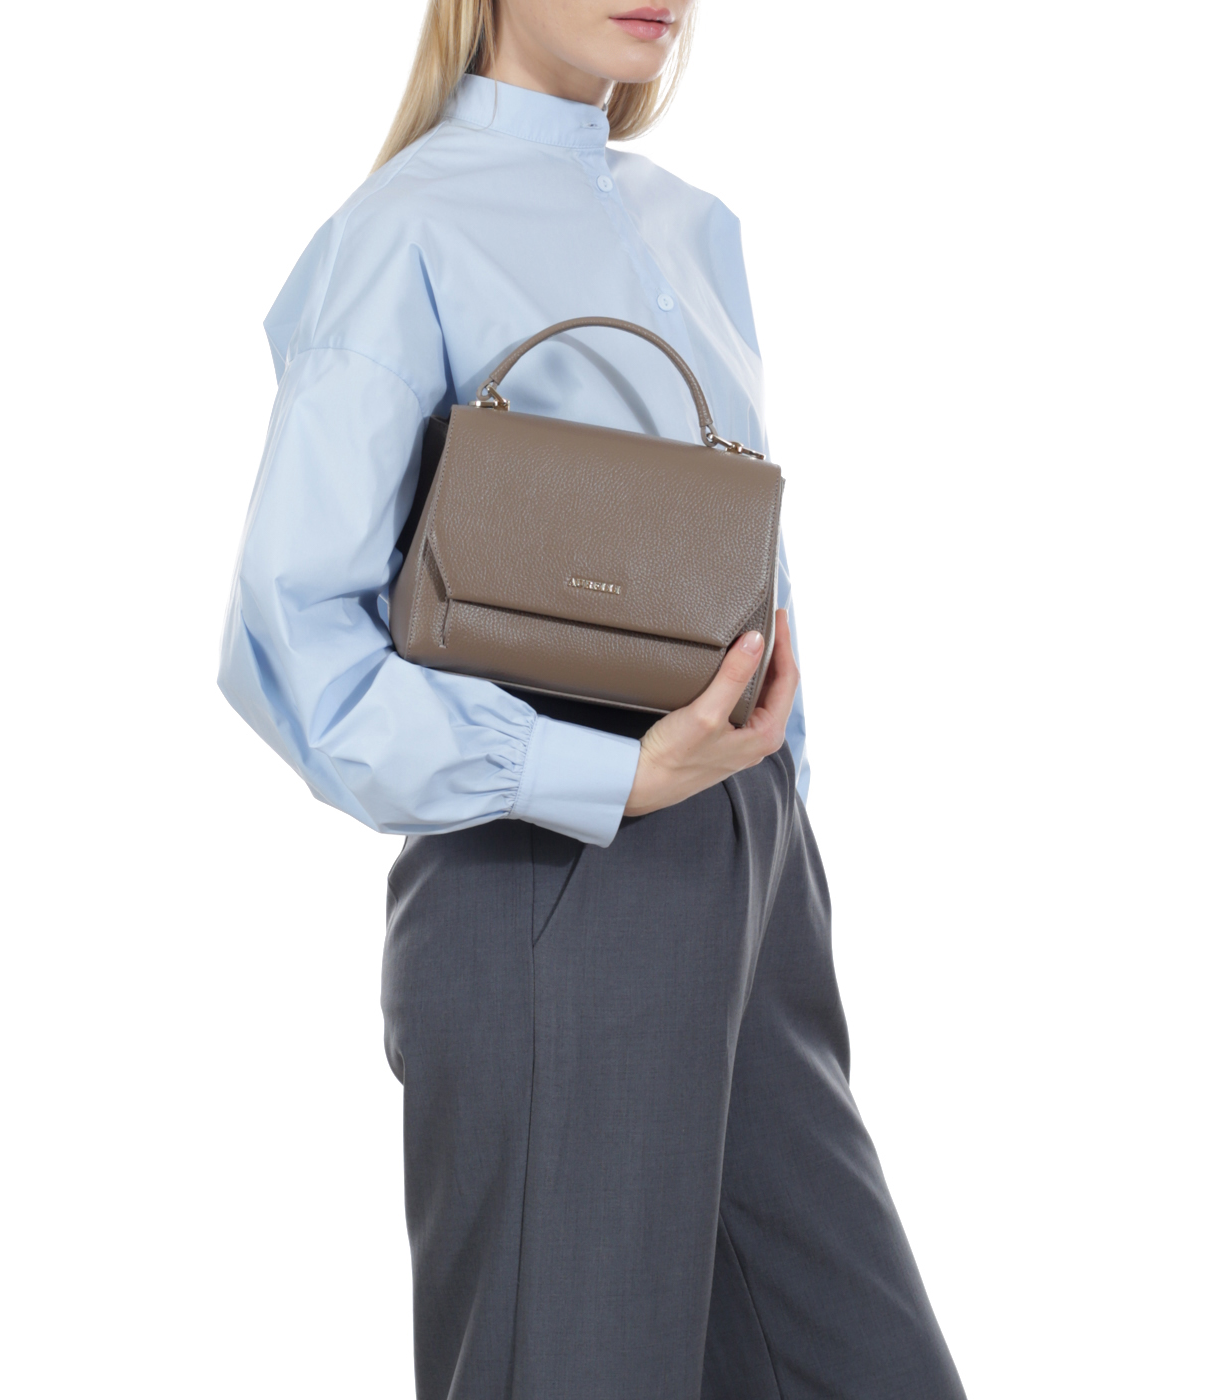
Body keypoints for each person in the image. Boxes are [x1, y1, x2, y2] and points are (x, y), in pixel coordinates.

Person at [218, 1, 966, 1396]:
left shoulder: (697, 228)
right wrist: (606, 778)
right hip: (554, 879)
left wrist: (773, 812)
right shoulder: (406, 232)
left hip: (750, 870)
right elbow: (290, 635)